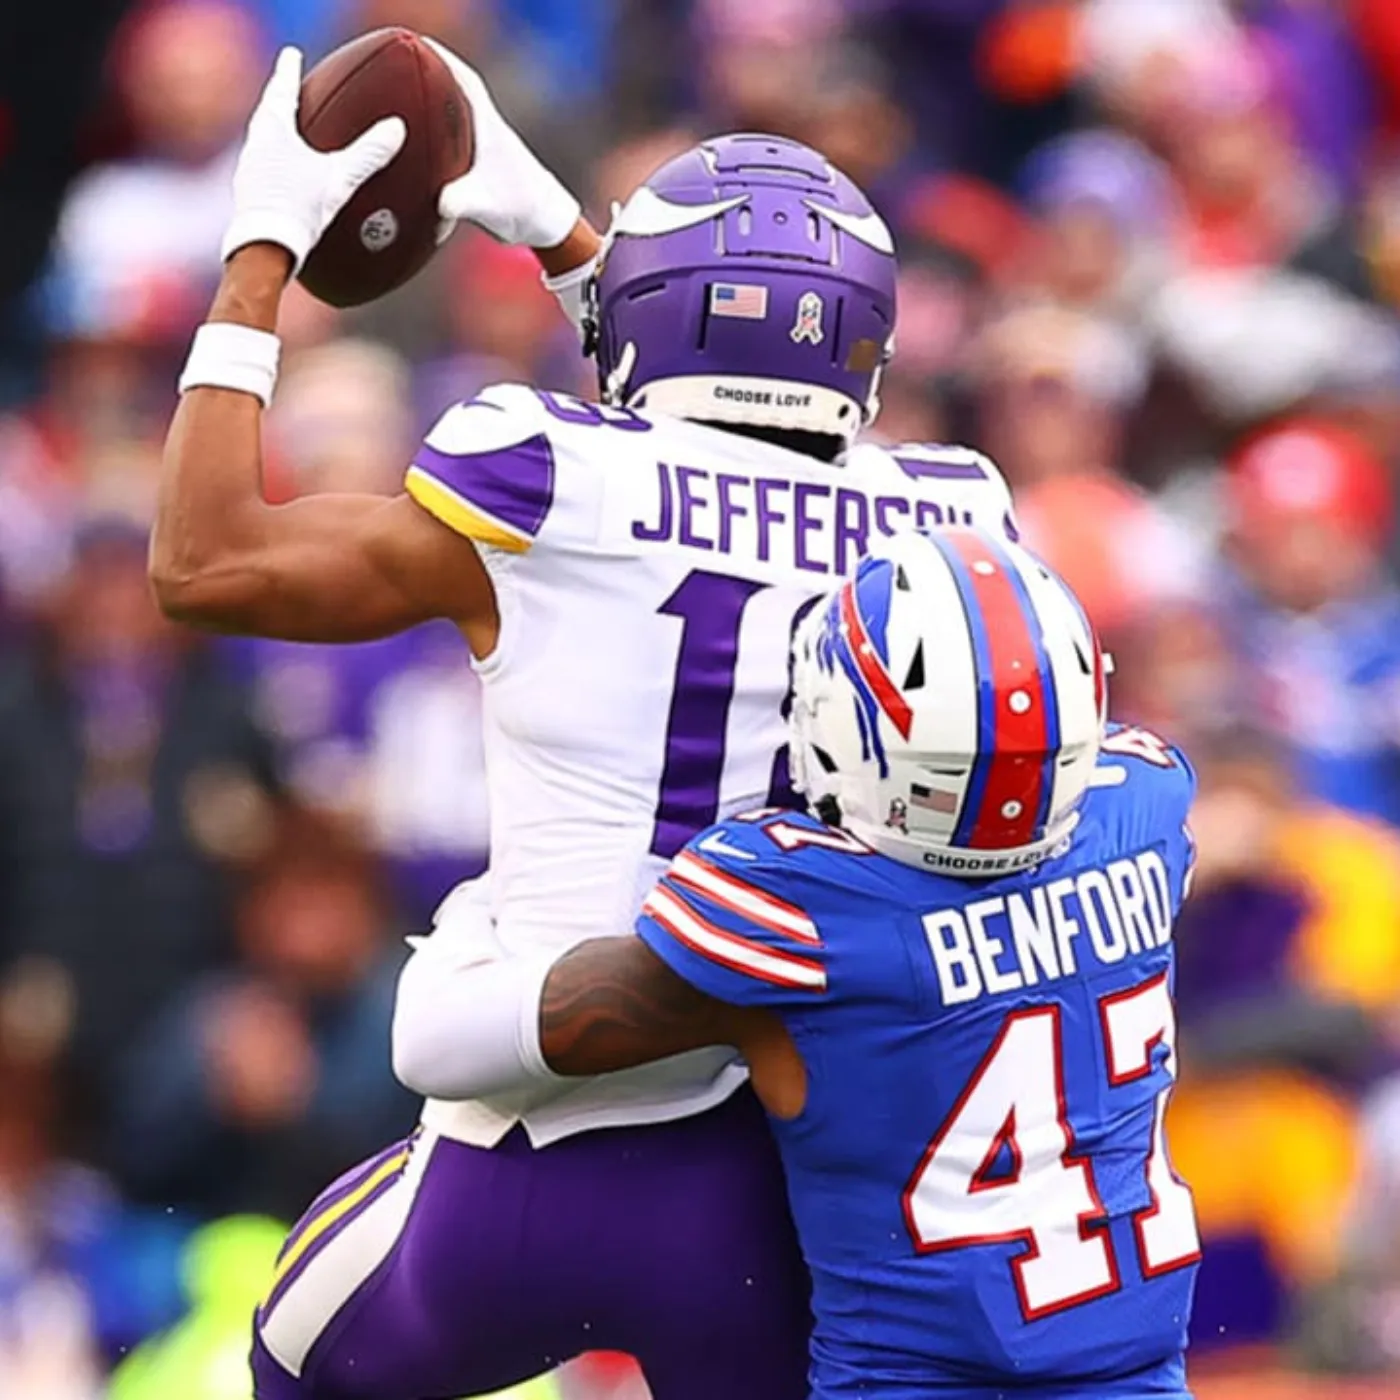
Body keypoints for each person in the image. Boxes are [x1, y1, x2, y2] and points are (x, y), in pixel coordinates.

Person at [149, 40, 1022, 1400]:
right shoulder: (958, 513)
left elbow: (203, 563)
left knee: (292, 1356)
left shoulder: (543, 474)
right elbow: (737, 455)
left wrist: (258, 245)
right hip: (774, 1176)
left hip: (521, 1156)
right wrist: (563, 232)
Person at [435, 527, 1204, 1398]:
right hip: (1142, 1370)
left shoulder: (800, 904)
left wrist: (468, 920)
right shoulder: (1146, 806)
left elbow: (513, 1037)